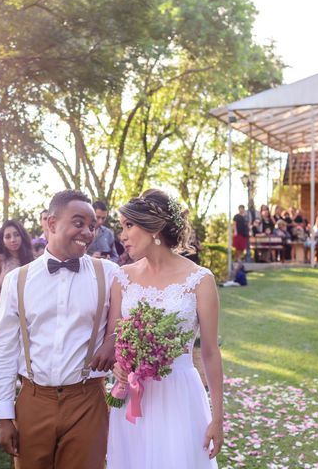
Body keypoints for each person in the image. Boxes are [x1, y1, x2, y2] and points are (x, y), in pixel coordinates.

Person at [0, 189, 118, 469]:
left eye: (91, 226)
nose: (87, 232)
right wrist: (2, 415)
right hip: (33, 400)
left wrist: (114, 339)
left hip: (88, 400)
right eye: (78, 223)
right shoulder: (16, 281)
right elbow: (3, 350)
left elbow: (130, 320)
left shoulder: (108, 275)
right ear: (50, 223)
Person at [107, 189, 223, 469]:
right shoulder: (122, 278)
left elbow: (210, 353)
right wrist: (118, 366)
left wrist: (217, 417)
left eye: (128, 225)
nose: (122, 235)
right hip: (134, 398)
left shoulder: (200, 280)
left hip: (180, 396)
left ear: (155, 228)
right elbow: (113, 339)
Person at [0, 220, 33, 322]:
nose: (13, 240)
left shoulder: (32, 261)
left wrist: (24, 314)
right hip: (1, 314)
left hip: (28, 315)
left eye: (16, 235)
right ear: (2, 240)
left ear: (22, 236)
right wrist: (12, 313)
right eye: (7, 237)